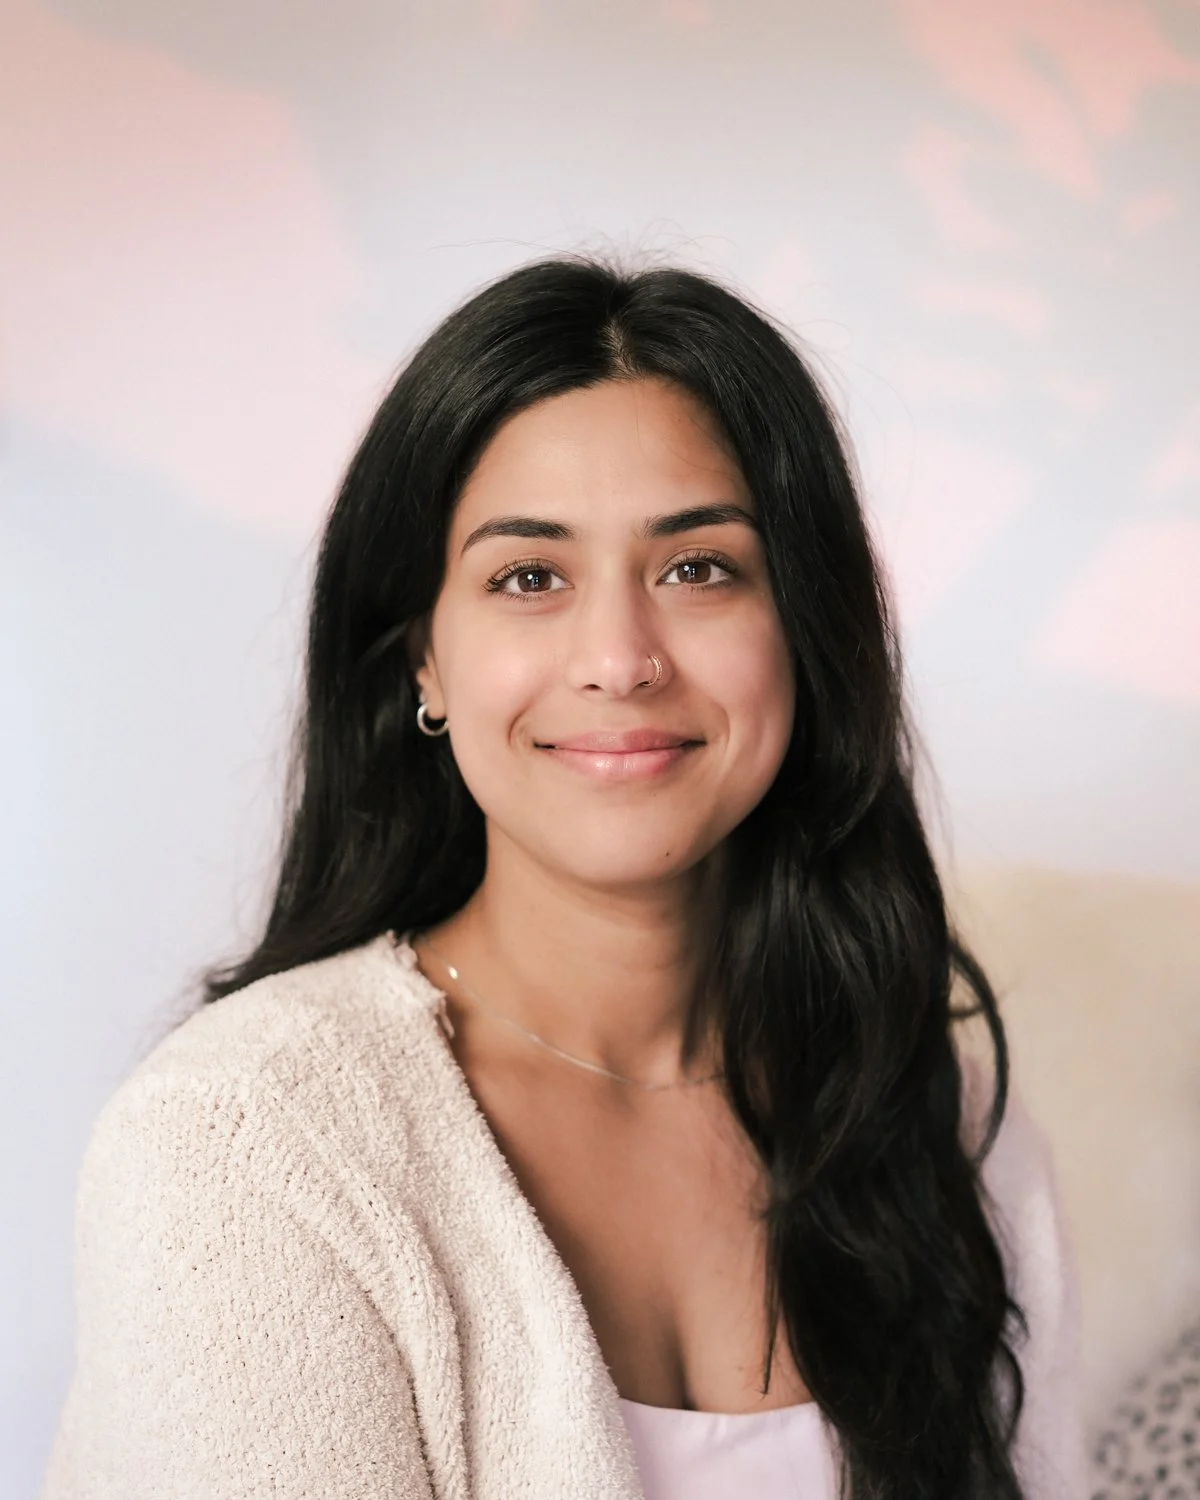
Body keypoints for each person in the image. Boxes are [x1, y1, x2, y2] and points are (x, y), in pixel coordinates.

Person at [41, 256, 1086, 1499]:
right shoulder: (248, 1142)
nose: (620, 658)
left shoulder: (949, 1125)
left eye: (699, 567)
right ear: (423, 660)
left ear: (804, 631)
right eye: (528, 577)